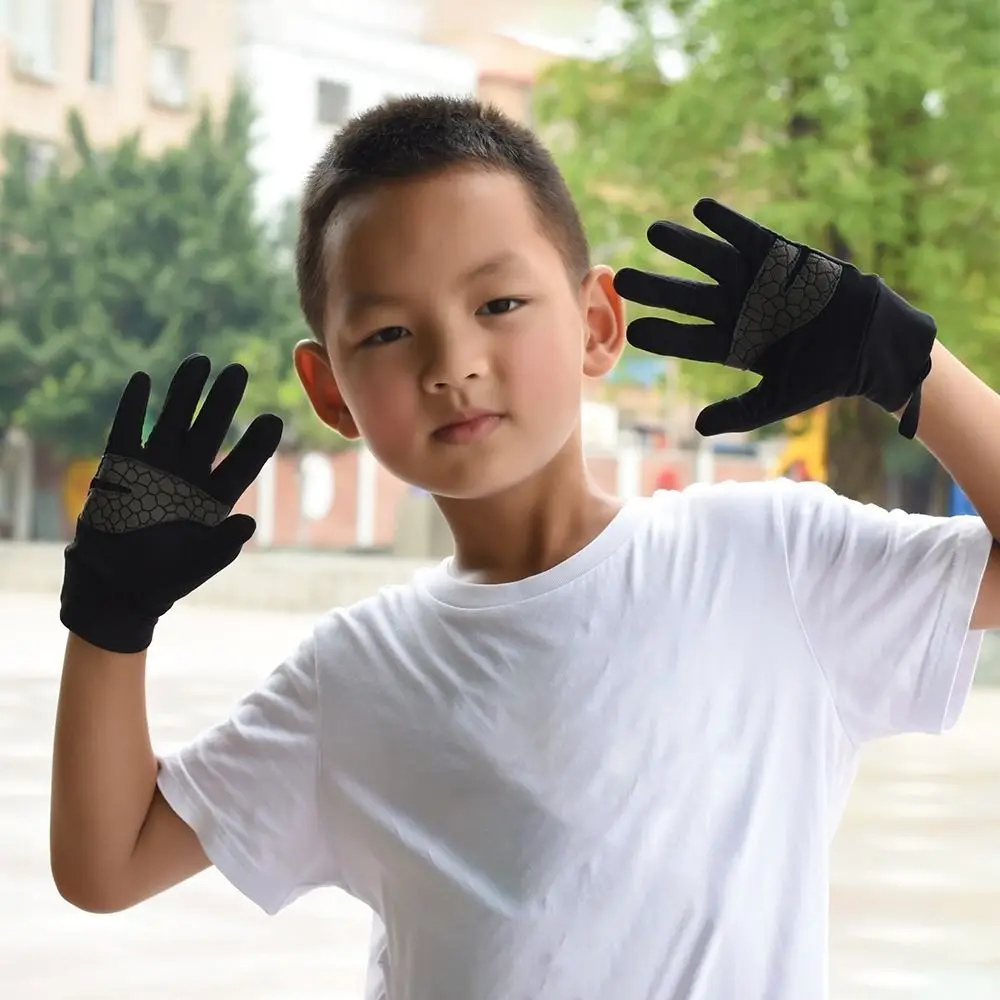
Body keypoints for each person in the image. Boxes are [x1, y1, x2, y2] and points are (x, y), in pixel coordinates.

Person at [50, 95, 1000, 1000]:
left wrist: (903, 358)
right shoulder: (351, 673)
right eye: (386, 331)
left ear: (596, 324)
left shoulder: (768, 560)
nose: (452, 362)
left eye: (498, 304)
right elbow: (108, 863)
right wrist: (108, 617)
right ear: (330, 389)